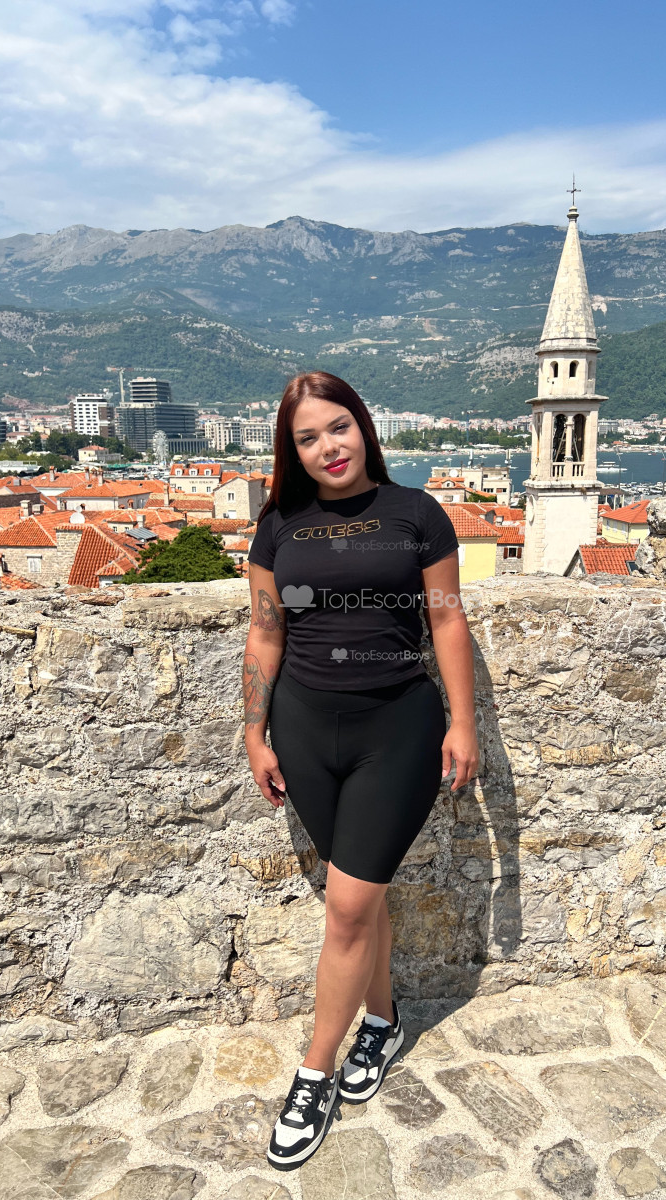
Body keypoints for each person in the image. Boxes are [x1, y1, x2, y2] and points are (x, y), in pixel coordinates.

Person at [243, 371, 479, 1171]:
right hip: (305, 731)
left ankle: (313, 1076)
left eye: (337, 427)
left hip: (397, 728)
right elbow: (265, 633)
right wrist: (254, 731)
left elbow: (447, 621)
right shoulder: (278, 525)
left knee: (345, 907)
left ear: (363, 427)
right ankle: (382, 1022)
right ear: (293, 451)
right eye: (307, 438)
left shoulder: (417, 513)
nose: (328, 447)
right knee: (359, 894)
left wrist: (463, 722)